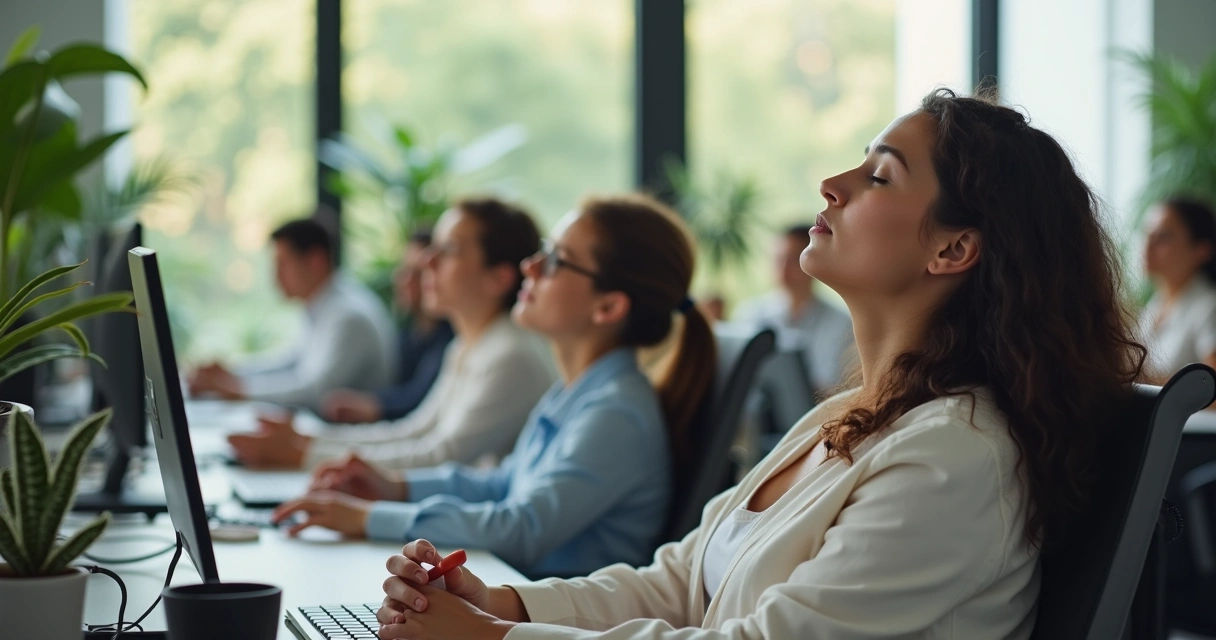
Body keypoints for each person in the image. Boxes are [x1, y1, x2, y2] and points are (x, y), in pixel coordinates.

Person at [370, 89, 1148, 639]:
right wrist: (502, 604)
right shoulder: (846, 420)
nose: (832, 185)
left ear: (953, 249)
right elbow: (679, 583)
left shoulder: (957, 457)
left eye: (878, 176)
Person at [270, 195, 717, 579]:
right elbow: (502, 484)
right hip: (514, 593)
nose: (531, 267)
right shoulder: (579, 392)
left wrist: (371, 517)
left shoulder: (617, 411)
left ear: (609, 306)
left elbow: (521, 526)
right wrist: (396, 487)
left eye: (556, 260)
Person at [226, 198, 555, 470]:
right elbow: (415, 432)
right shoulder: (471, 344)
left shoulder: (511, 355)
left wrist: (305, 454)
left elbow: (440, 456)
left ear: (499, 278)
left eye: (449, 250)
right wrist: (309, 440)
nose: (427, 260)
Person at [187, 214, 395, 412]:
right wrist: (232, 373)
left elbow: (317, 393)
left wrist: (237, 390)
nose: (275, 278)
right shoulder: (324, 305)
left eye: (283, 264)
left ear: (316, 261)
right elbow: (291, 363)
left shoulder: (349, 318)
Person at [322, 229, 455, 423]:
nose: (402, 279)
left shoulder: (451, 338)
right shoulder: (408, 331)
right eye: (403, 269)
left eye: (417, 274)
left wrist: (374, 404)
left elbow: (421, 399)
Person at [734, 224, 856, 396]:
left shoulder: (842, 324)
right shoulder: (750, 315)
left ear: (813, 261)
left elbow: (838, 388)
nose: (783, 270)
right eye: (778, 259)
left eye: (792, 260)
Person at [1138, 196, 1216, 382]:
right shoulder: (1155, 305)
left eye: (1163, 237)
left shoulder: (1209, 307)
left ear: (1201, 250)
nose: (1148, 246)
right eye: (1147, 235)